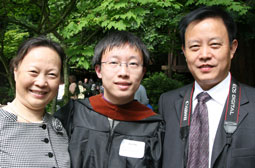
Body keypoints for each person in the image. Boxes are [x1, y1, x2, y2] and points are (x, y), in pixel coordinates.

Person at [159, 6, 255, 168]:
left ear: (232, 48)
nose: (204, 55)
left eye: (215, 45)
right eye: (194, 46)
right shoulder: (168, 103)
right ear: (184, 51)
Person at [55, 31, 164, 168]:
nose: (123, 72)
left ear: (142, 73)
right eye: (114, 62)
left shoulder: (155, 127)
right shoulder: (73, 115)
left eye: (133, 64)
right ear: (99, 70)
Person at [0, 37, 70, 167]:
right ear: (15, 72)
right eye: (33, 72)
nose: (41, 82)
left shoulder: (59, 128)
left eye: (52, 74)